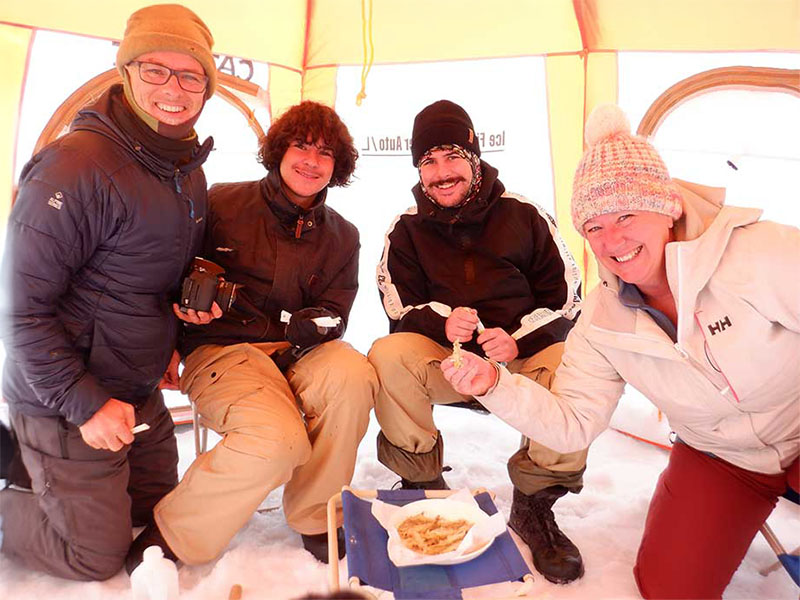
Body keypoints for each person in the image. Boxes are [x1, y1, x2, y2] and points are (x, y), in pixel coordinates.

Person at [442, 104, 800, 598]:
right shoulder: (601, 321)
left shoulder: (758, 254)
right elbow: (573, 422)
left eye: (627, 214)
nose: (614, 240)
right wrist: (494, 384)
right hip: (722, 457)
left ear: (666, 206)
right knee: (671, 588)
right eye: (595, 227)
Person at [0, 4, 216, 580]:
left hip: (136, 390)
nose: (173, 89)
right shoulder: (74, 167)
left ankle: (46, 476)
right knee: (94, 557)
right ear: (125, 72)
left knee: (154, 523)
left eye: (190, 75)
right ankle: (13, 488)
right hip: (63, 398)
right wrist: (87, 403)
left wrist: (175, 333)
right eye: (155, 70)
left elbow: (148, 277)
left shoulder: (185, 170)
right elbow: (19, 312)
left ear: (207, 86)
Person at [125, 101, 377, 571]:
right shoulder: (221, 202)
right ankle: (176, 533)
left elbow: (337, 313)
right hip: (222, 350)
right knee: (279, 440)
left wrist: (319, 322)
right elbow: (165, 277)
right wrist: (174, 326)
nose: (311, 161)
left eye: (325, 153)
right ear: (279, 150)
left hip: (298, 353)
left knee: (353, 374)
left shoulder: (343, 235)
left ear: (337, 166)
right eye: (301, 146)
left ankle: (315, 515)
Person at [369, 99, 586, 584]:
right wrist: (441, 323)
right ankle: (421, 482)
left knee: (574, 364)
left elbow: (569, 298)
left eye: (451, 157)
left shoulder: (525, 215)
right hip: (451, 366)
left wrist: (520, 338)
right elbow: (397, 305)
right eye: (428, 161)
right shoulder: (405, 230)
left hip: (522, 365)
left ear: (474, 157)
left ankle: (535, 504)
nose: (441, 172)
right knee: (386, 355)